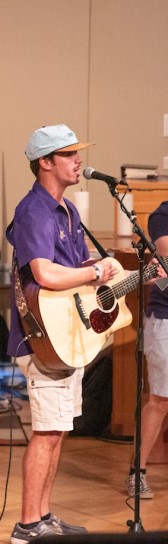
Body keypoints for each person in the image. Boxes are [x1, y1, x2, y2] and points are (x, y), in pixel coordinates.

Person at [6, 124, 120, 544]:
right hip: (40, 338)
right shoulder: (34, 210)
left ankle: (43, 516)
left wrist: (107, 272)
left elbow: (75, 271)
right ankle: (26, 526)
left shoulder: (68, 211)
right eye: (69, 154)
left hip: (66, 334)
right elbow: (45, 273)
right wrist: (93, 270)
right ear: (45, 162)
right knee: (47, 432)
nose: (79, 161)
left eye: (78, 153)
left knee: (57, 431)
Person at [129, 202, 168, 499]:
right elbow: (167, 258)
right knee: (161, 399)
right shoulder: (163, 215)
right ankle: (136, 472)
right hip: (165, 319)